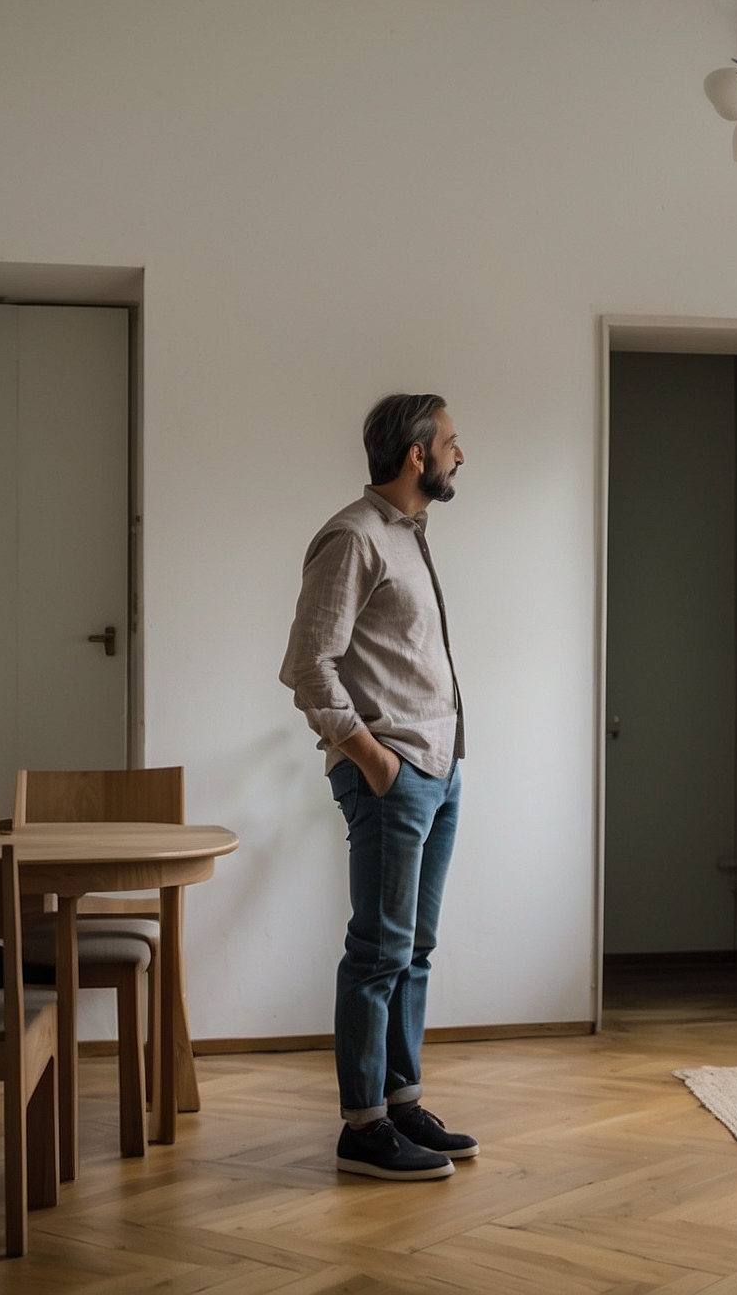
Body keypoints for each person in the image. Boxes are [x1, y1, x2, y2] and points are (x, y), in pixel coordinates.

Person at [279, 392, 478, 1181]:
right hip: (394, 777)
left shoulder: (410, 536)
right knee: (378, 951)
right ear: (417, 456)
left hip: (438, 770)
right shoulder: (355, 537)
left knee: (415, 949)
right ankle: (362, 1127)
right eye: (454, 443)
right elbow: (307, 666)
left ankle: (401, 1101)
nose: (464, 455)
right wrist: (374, 761)